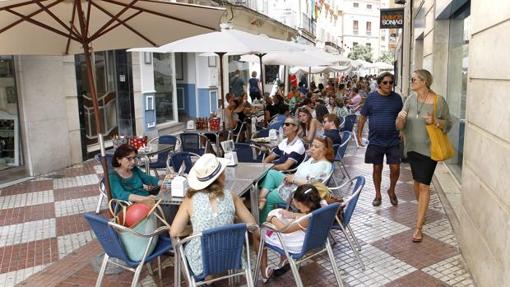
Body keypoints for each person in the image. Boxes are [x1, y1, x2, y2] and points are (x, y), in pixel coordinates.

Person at [170, 154, 257, 275]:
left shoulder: (189, 200)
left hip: (201, 262)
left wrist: (194, 230)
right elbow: (252, 224)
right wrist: (232, 223)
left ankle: (205, 279)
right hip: (232, 256)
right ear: (220, 177)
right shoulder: (232, 196)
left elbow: (174, 232)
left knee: (184, 251)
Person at [396, 69, 451, 243]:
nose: (411, 81)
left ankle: (418, 227)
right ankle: (422, 211)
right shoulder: (411, 99)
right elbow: (399, 125)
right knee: (417, 183)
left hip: (429, 150)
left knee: (424, 186)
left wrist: (435, 121)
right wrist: (400, 119)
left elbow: (448, 124)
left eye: (414, 79)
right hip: (412, 148)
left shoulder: (438, 100)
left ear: (424, 81)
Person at [259, 184, 325, 282]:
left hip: (300, 246)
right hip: (315, 240)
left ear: (303, 205)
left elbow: (284, 230)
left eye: (297, 205)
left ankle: (264, 272)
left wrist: (272, 219)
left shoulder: (307, 218)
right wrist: (292, 215)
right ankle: (284, 258)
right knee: (287, 225)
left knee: (260, 235)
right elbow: (304, 215)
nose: (295, 206)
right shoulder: (323, 206)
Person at [259, 137, 334, 222]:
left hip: (299, 192)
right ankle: (261, 198)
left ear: (325, 151)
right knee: (272, 173)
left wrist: (293, 180)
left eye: (316, 147)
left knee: (270, 196)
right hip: (294, 181)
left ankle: (264, 222)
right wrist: (290, 176)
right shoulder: (312, 159)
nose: (312, 148)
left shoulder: (323, 165)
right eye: (312, 145)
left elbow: (311, 185)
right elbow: (301, 173)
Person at [357, 72, 403, 207]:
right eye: (385, 82)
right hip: (375, 140)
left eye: (391, 82)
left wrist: (403, 130)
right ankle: (377, 194)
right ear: (379, 84)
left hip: (393, 140)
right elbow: (363, 117)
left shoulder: (397, 99)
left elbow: (402, 117)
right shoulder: (371, 98)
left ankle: (391, 190)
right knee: (377, 168)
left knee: (395, 168)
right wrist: (359, 134)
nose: (388, 85)